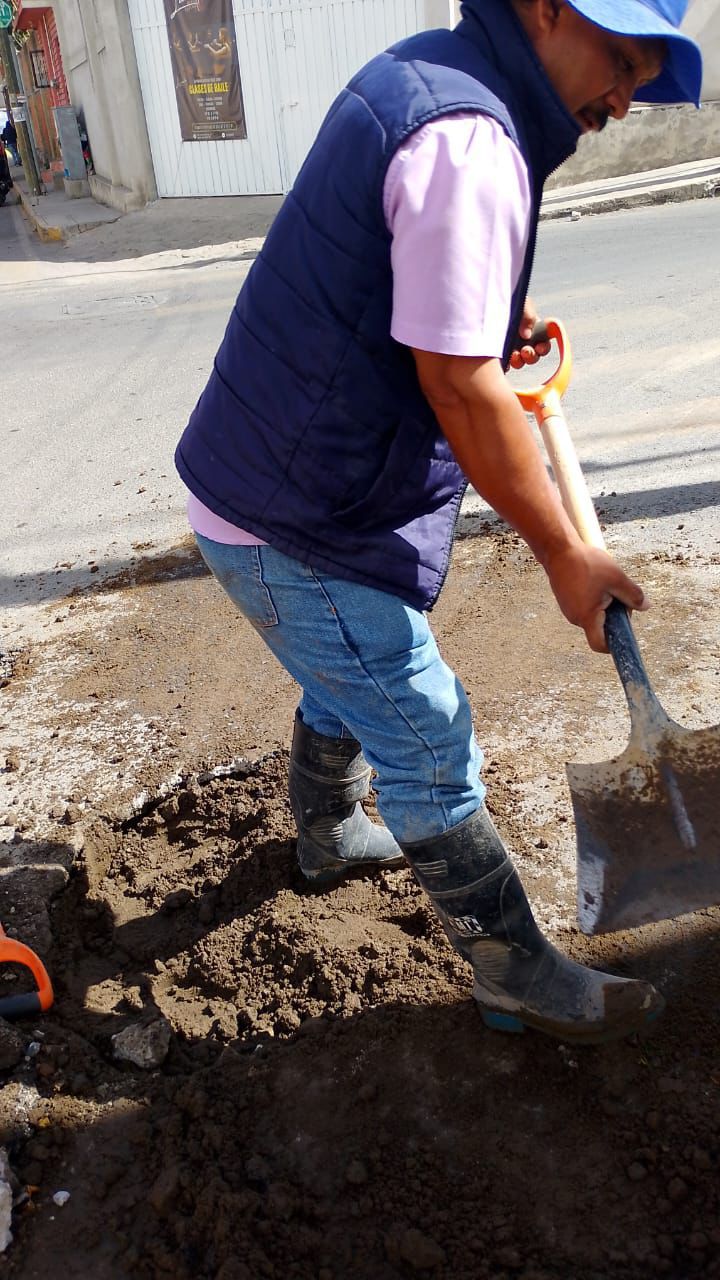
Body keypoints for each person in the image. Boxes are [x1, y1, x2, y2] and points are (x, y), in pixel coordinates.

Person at [175, 0, 702, 1044]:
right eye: (621, 58)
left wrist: (487, 324)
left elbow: (417, 302)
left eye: (646, 73)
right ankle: (515, 973)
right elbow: (458, 391)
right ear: (547, 9)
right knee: (423, 725)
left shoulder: (436, 80)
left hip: (278, 485)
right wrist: (565, 549)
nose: (627, 95)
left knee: (352, 665)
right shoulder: (470, 142)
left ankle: (326, 832)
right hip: (298, 514)